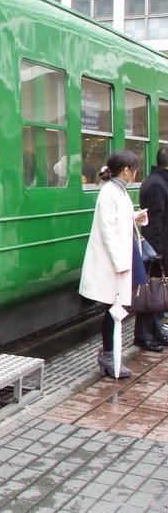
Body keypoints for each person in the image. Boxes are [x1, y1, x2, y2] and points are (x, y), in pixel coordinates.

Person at [79, 150, 149, 378]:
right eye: (135, 168)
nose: (136, 173)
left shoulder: (118, 190)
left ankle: (110, 356)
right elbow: (107, 230)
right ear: (127, 170)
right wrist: (120, 264)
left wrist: (136, 217)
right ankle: (109, 357)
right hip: (117, 260)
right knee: (114, 308)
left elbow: (118, 220)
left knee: (118, 307)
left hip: (125, 256)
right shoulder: (110, 192)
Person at [135, 146, 168, 352]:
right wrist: (156, 253)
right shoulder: (157, 184)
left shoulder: (158, 181)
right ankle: (144, 335)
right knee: (151, 291)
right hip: (157, 247)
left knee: (155, 291)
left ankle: (156, 330)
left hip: (159, 245)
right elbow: (154, 221)